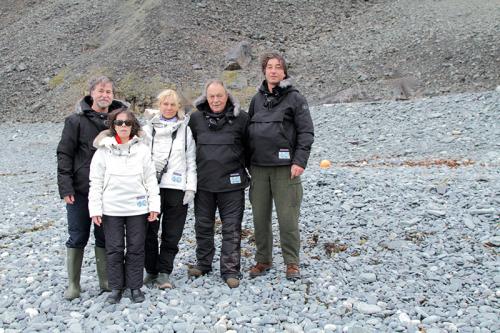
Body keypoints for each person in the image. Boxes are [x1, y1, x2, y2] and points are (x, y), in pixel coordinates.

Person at [56, 76, 128, 300]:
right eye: (100, 91)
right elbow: (64, 154)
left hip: (110, 191)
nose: (105, 95)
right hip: (80, 190)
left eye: (108, 91)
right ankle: (73, 285)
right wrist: (65, 186)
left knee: (104, 237)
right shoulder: (75, 121)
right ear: (91, 93)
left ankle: (105, 281)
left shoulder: (121, 121)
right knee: (77, 235)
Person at [247, 52, 314, 280]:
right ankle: (263, 259)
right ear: (264, 71)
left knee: (287, 217)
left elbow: (306, 132)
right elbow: (248, 132)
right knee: (260, 217)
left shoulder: (295, 98)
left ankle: (292, 262)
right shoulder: (256, 99)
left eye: (278, 67)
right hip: (258, 168)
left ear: (285, 72)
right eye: (269, 67)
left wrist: (299, 161)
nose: (273, 70)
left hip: (286, 169)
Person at [88, 109, 160, 304]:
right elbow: (95, 181)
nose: (123, 126)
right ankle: (116, 288)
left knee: (136, 248)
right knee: (114, 249)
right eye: (119, 123)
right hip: (111, 209)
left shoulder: (142, 150)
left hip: (137, 208)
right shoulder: (103, 150)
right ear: (113, 125)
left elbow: (150, 179)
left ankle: (135, 286)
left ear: (133, 126)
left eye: (127, 123)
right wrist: (95, 209)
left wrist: (154, 205)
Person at [187, 80, 249, 288]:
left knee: (231, 228)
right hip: (203, 184)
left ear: (227, 96)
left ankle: (230, 269)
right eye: (211, 96)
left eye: (219, 96)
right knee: (203, 226)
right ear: (206, 97)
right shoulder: (195, 119)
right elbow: (187, 149)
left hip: (232, 185)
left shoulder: (241, 118)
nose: (215, 100)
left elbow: (250, 148)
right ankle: (203, 263)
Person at [142, 89, 197, 289]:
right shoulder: (147, 130)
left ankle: (165, 271)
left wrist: (190, 187)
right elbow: (140, 159)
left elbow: (191, 160)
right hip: (152, 188)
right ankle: (151, 270)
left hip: (176, 188)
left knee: (172, 234)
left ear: (178, 107)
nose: (168, 107)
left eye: (173, 104)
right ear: (159, 105)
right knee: (149, 231)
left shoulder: (185, 130)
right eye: (165, 104)